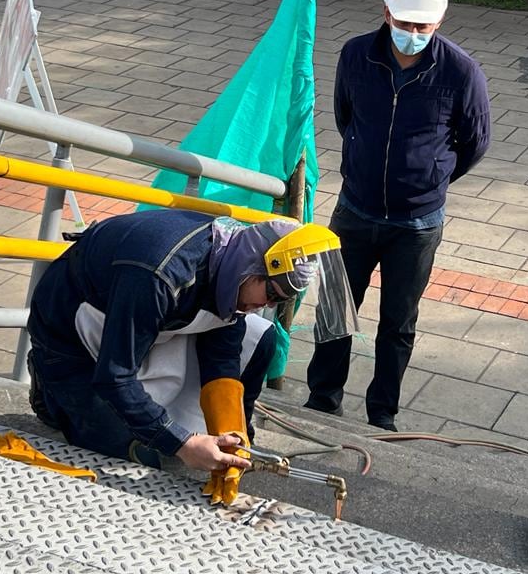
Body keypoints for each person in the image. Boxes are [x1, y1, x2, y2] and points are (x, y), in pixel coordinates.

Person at [25, 209, 354, 506]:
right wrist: (181, 443)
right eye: (270, 294)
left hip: (148, 326)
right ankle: (53, 392)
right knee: (137, 457)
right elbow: (116, 376)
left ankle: (181, 426)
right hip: (74, 337)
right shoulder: (160, 273)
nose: (268, 305)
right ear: (252, 270)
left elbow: (223, 349)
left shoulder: (231, 263)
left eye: (279, 301)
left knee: (260, 340)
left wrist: (231, 432)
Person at [303, 0, 491, 432]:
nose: (411, 32)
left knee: (398, 323)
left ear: (439, 20)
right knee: (335, 309)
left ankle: (382, 412)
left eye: (421, 26)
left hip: (417, 223)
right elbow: (346, 117)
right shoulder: (355, 55)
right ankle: (323, 398)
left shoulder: (461, 72)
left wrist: (431, 178)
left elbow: (475, 142)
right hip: (355, 210)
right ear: (386, 11)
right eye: (403, 23)